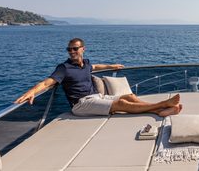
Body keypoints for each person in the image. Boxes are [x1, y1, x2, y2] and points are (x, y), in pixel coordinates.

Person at [15, 38, 182, 117]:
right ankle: (163, 105)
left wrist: (112, 66)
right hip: (81, 104)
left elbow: (96, 67)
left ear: (83, 49)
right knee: (122, 104)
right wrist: (31, 92)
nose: (71, 52)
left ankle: (160, 111)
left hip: (97, 97)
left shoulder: (86, 63)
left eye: (75, 49)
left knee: (129, 96)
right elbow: (46, 82)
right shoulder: (63, 68)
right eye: (69, 49)